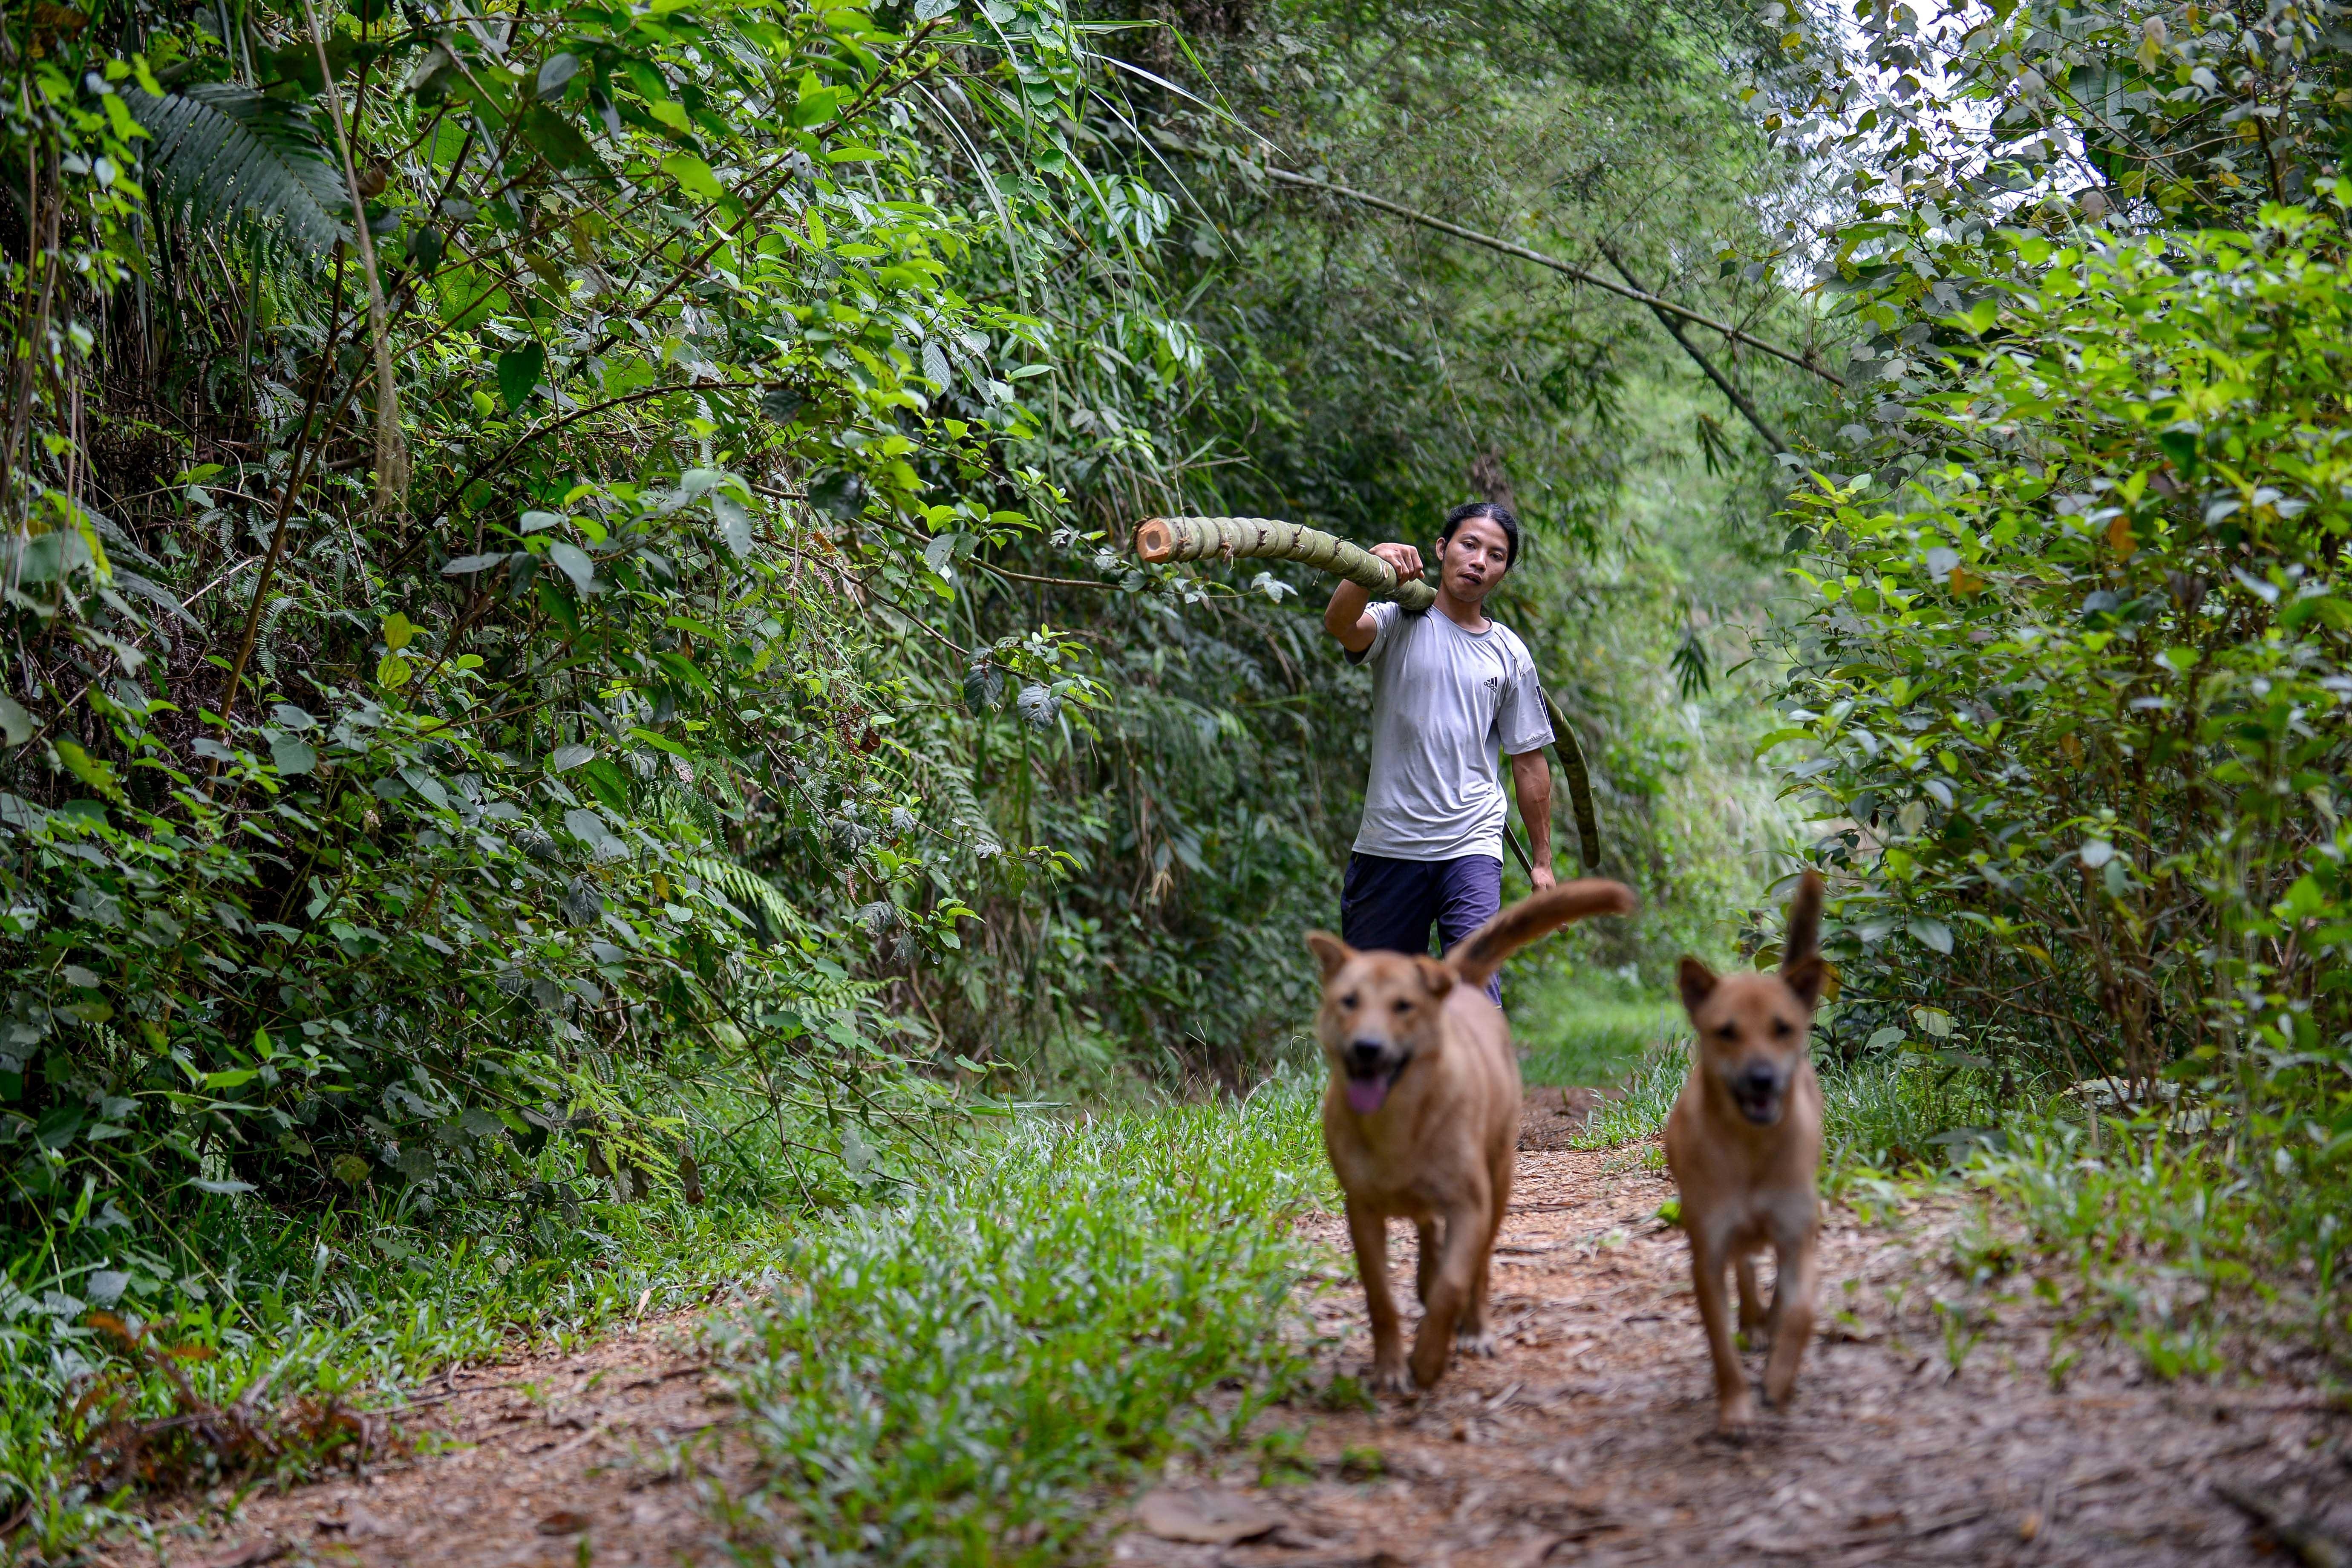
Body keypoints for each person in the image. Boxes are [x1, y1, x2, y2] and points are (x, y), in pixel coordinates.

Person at [1323, 500, 1557, 1004]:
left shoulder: (1509, 653)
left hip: (1472, 845)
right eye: (1469, 545)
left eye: (1496, 555)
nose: (1479, 561)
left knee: (1474, 996)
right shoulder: (1397, 620)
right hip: (1389, 844)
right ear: (1442, 548)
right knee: (1374, 1003)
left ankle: (1478, 1061)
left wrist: (1542, 861)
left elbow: (1529, 761)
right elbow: (1340, 624)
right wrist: (1370, 564)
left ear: (1503, 572)